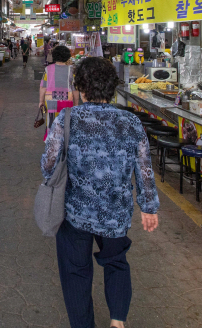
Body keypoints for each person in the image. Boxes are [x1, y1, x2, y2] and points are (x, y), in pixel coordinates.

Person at [41, 57, 160, 328]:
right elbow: (144, 169)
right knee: (117, 263)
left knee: (75, 273)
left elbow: (48, 165)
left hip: (74, 214)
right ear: (112, 88)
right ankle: (117, 322)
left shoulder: (67, 118)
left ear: (81, 89)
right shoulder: (131, 122)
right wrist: (148, 207)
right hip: (116, 213)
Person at [39, 44, 74, 137]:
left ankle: (51, 142)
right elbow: (75, 88)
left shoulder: (48, 69)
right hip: (67, 100)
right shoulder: (71, 70)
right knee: (66, 123)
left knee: (51, 122)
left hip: (51, 101)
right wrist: (77, 103)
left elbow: (43, 87)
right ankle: (65, 143)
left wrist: (41, 101)